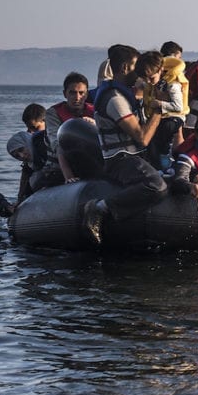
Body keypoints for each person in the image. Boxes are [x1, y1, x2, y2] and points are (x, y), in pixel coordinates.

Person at [81, 46, 168, 246]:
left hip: (136, 157)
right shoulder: (114, 99)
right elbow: (142, 138)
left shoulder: (126, 93)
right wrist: (159, 109)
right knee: (157, 186)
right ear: (124, 67)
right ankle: (99, 208)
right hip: (120, 160)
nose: (140, 71)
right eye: (136, 66)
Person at [37, 73, 95, 189]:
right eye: (72, 93)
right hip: (58, 166)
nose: (77, 97)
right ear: (65, 94)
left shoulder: (94, 111)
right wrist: (68, 176)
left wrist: (95, 125)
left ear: (86, 94)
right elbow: (58, 145)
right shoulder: (53, 113)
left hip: (89, 163)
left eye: (81, 93)